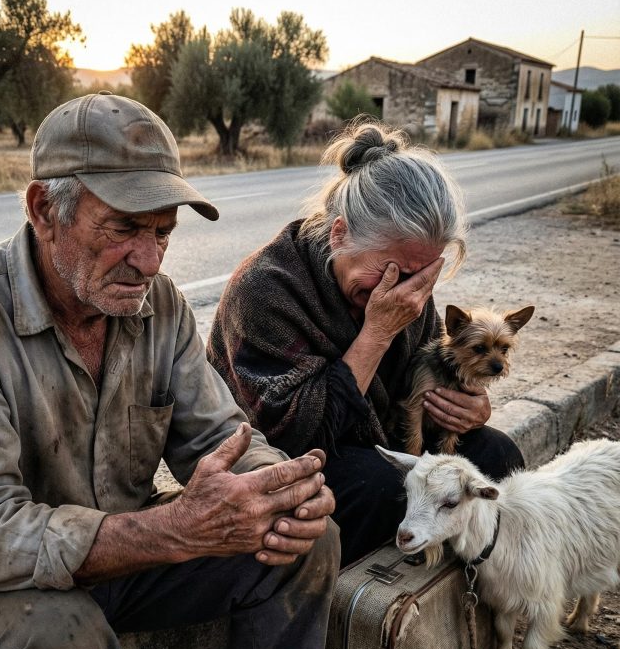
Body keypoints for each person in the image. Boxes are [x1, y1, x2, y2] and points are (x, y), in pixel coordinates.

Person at [0, 93, 340, 649]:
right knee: (62, 644)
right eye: (124, 229)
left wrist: (281, 490)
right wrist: (171, 531)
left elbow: (221, 436)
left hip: (123, 547)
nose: (149, 261)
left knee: (310, 537)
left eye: (161, 234)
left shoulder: (160, 307)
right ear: (44, 210)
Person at [207, 120, 525, 567]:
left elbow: (421, 378)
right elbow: (294, 437)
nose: (406, 291)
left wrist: (469, 406)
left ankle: (459, 593)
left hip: (377, 438)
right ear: (340, 235)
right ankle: (353, 610)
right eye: (391, 271)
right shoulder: (266, 291)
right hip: (281, 460)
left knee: (496, 455)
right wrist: (376, 332)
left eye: (421, 275)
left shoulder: (406, 284)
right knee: (381, 486)